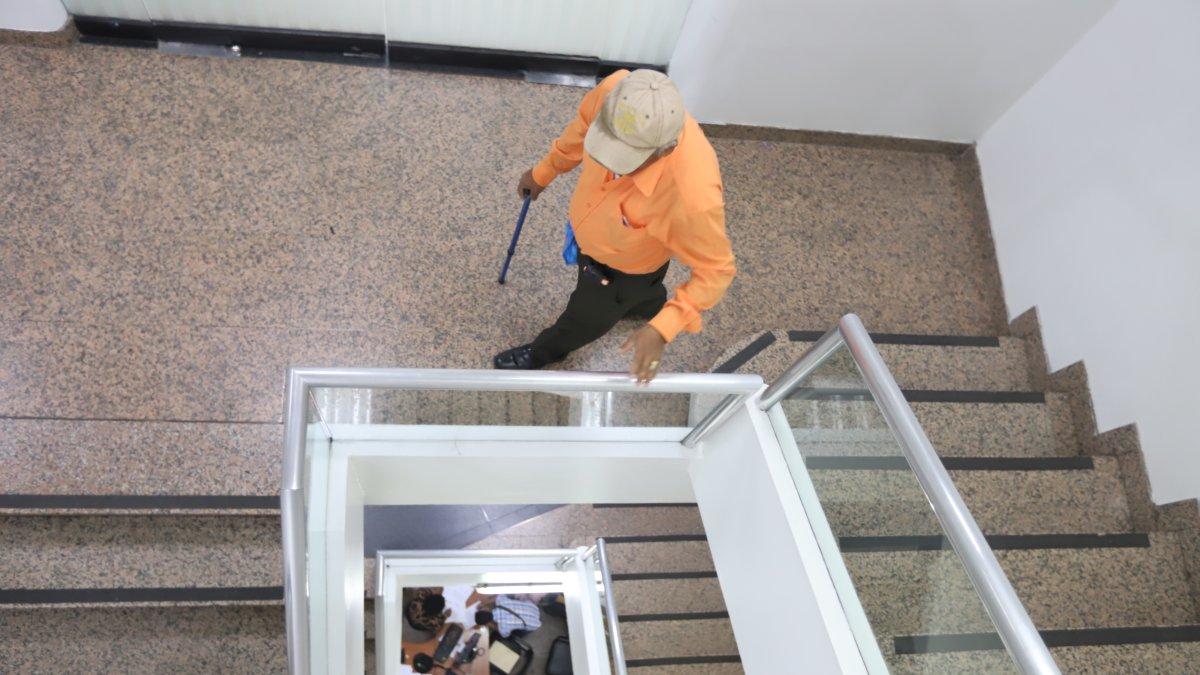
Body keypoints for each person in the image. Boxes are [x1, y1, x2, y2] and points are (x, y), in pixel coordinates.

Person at [493, 69, 736, 383]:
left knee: (584, 317)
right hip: (601, 239)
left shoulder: (693, 197)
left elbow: (717, 270)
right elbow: (579, 131)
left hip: (620, 275)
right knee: (647, 293)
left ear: (663, 150)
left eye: (623, 158)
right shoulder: (616, 91)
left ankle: (546, 351)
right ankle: (645, 305)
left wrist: (664, 328)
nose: (607, 163)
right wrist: (543, 172)